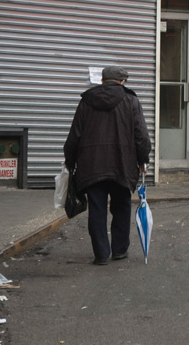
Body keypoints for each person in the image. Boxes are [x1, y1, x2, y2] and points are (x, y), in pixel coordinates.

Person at [64, 66, 152, 265]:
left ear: (102, 80)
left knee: (97, 209)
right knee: (122, 207)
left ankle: (101, 254)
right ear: (122, 81)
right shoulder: (131, 101)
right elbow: (141, 135)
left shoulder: (86, 101)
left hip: (92, 165)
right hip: (123, 164)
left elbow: (74, 136)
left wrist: (70, 161)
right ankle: (119, 250)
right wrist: (143, 158)